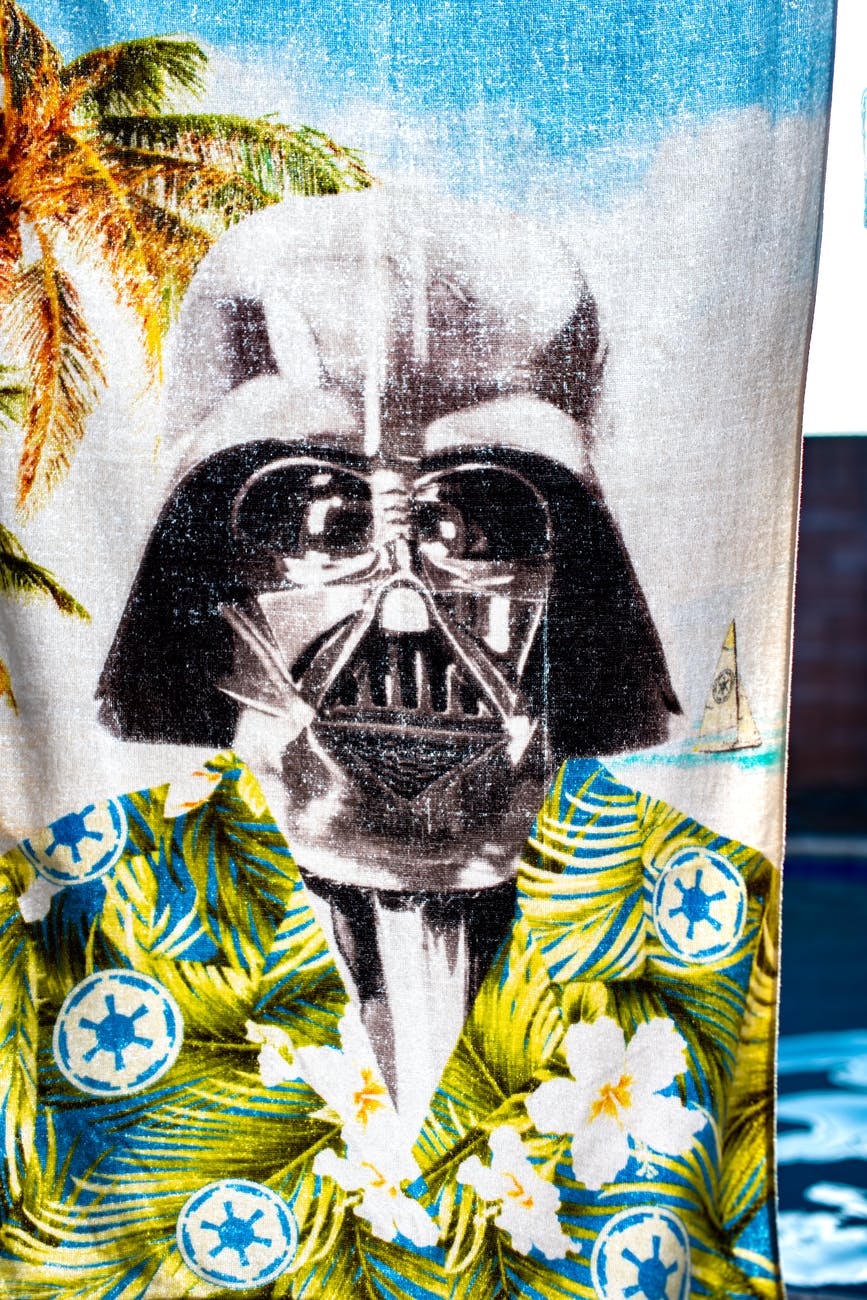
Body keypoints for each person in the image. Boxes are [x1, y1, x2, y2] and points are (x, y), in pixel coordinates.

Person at [0, 192, 779, 1298]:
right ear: (210, 565)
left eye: (478, 522)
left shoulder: (693, 907)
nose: (405, 610)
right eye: (321, 521)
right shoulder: (74, 905)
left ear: (571, 569)